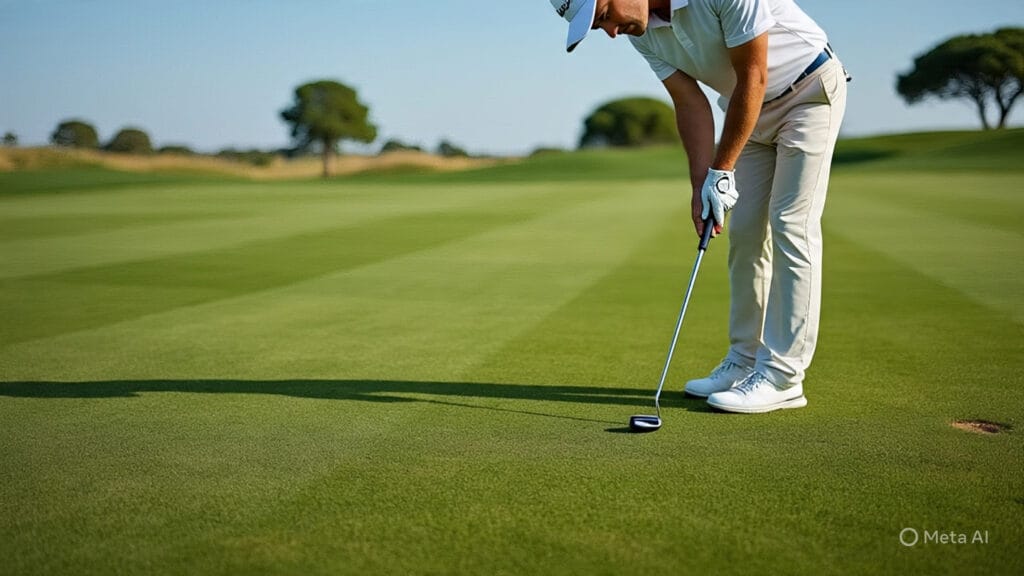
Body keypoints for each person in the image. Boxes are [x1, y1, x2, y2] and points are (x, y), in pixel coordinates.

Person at [549, 0, 848, 413]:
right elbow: (690, 103)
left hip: (807, 93)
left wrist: (722, 170)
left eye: (603, 18)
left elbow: (754, 74)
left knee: (790, 224)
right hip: (749, 114)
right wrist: (701, 185)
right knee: (744, 234)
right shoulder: (643, 34)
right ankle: (744, 361)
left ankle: (783, 376)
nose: (613, 33)